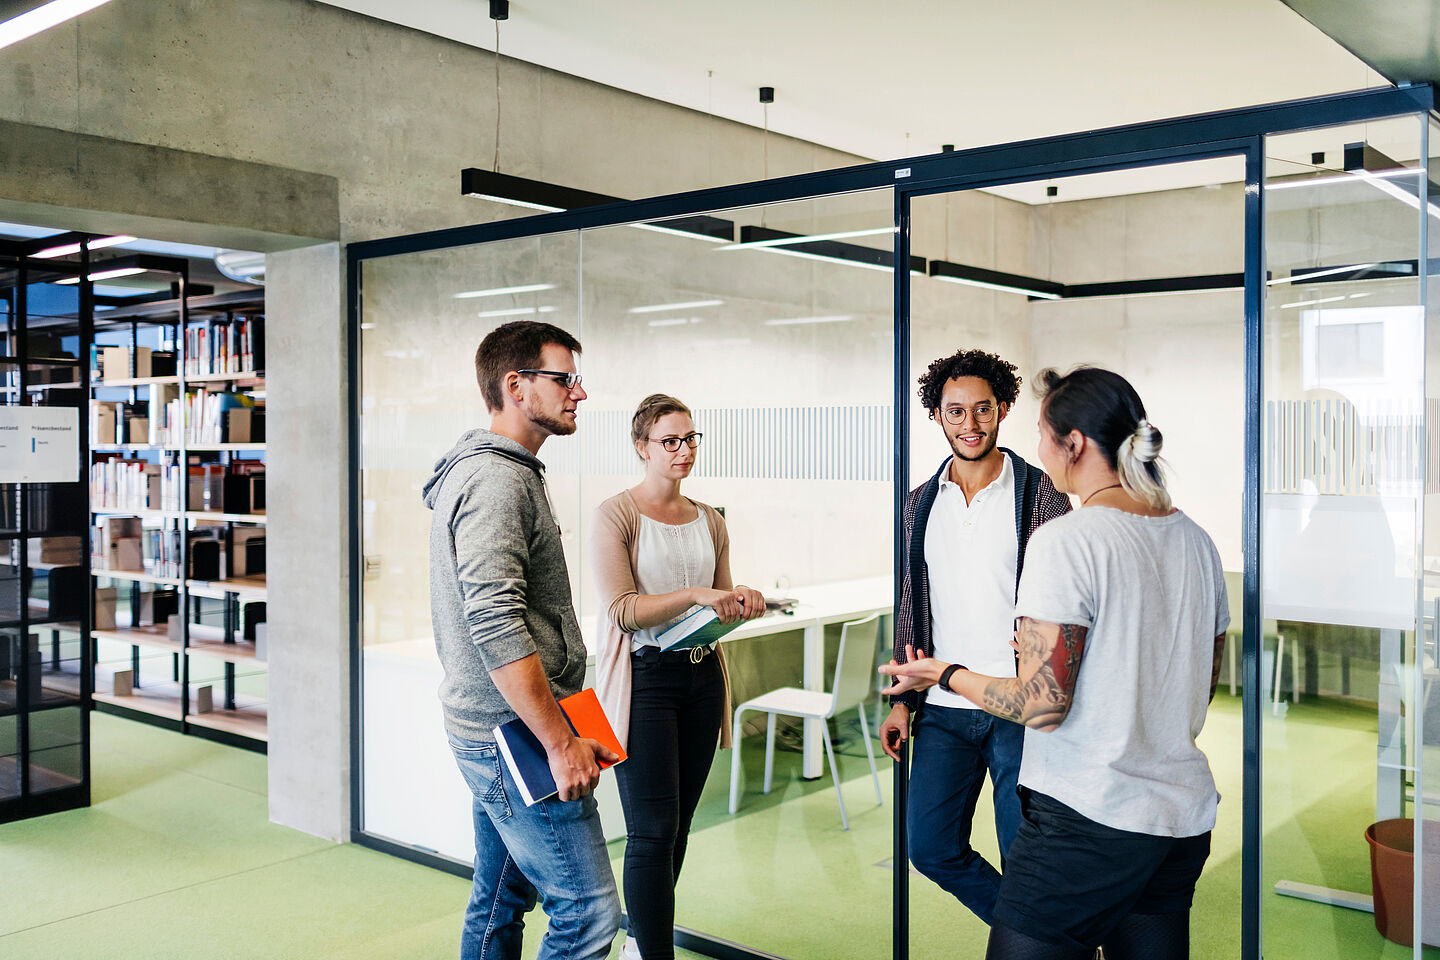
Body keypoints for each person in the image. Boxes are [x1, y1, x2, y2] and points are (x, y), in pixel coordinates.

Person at [881, 366, 1229, 960]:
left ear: (1074, 444)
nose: (1039, 450)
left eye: (1044, 434)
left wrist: (941, 674)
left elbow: (1040, 704)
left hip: (1089, 815)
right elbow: (1203, 682)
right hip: (1178, 818)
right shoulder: (1196, 539)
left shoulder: (1067, 537)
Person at [423, 320, 621, 960]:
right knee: (589, 914)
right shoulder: (498, 481)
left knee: (500, 897)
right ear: (516, 385)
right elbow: (495, 621)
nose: (579, 394)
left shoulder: (503, 472)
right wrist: (558, 742)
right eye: (564, 379)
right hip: (516, 734)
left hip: (504, 724)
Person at [878, 348, 1070, 925]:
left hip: (1018, 707)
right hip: (942, 707)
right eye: (955, 411)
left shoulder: (1040, 494)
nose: (969, 424)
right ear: (937, 415)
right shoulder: (919, 502)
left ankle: (1037, 945)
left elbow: (1064, 596)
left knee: (1025, 859)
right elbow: (912, 602)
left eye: (982, 410)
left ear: (1003, 409)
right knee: (930, 848)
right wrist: (903, 701)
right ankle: (1039, 940)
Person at [591, 393, 764, 960]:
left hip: (700, 679)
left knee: (680, 825)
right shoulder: (615, 515)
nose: (684, 450)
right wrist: (695, 593)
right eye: (670, 440)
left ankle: (642, 944)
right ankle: (649, 953)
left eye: (691, 438)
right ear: (642, 447)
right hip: (644, 682)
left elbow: (716, 606)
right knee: (651, 830)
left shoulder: (710, 519)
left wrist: (738, 602)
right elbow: (622, 609)